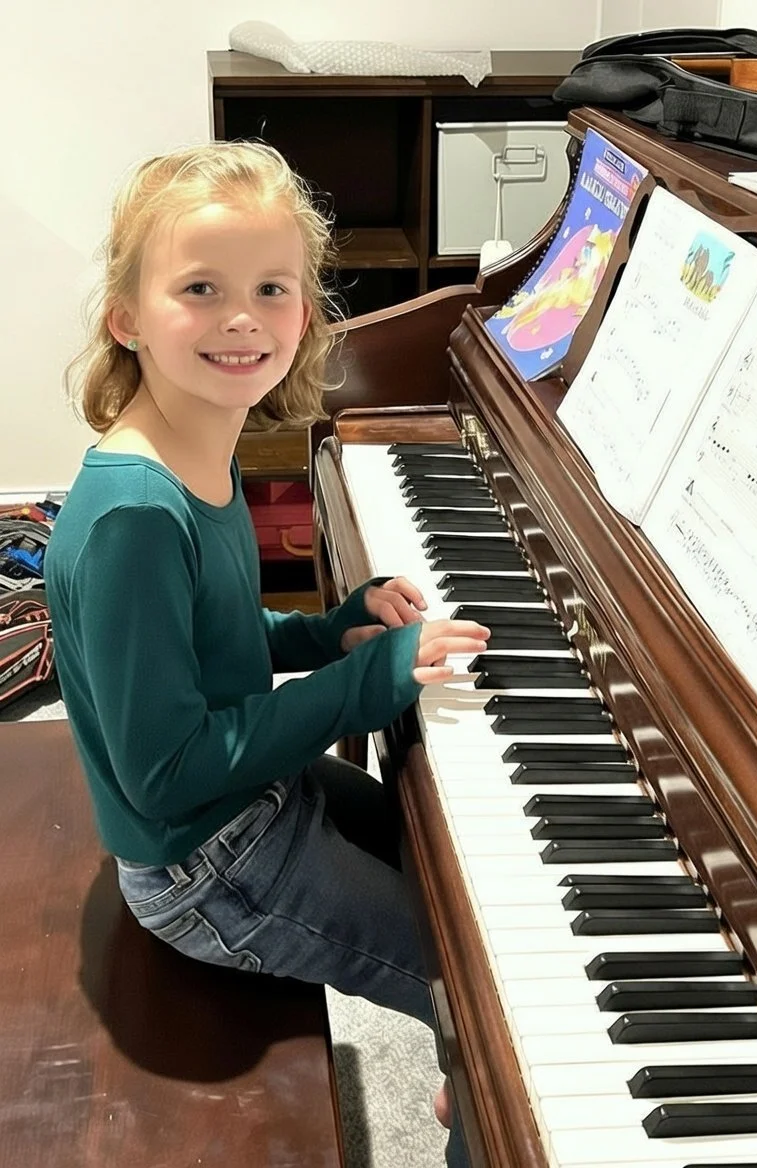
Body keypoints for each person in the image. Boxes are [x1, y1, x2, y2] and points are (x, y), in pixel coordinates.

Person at [44, 140, 489, 1166]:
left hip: (253, 802)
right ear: (126, 317)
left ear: (305, 310)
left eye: (271, 289)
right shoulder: (133, 518)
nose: (242, 318)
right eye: (201, 289)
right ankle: (471, 1094)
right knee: (475, 987)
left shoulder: (199, 430)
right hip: (205, 864)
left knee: (454, 863)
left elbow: (217, 639)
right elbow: (165, 773)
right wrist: (358, 682)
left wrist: (327, 632)